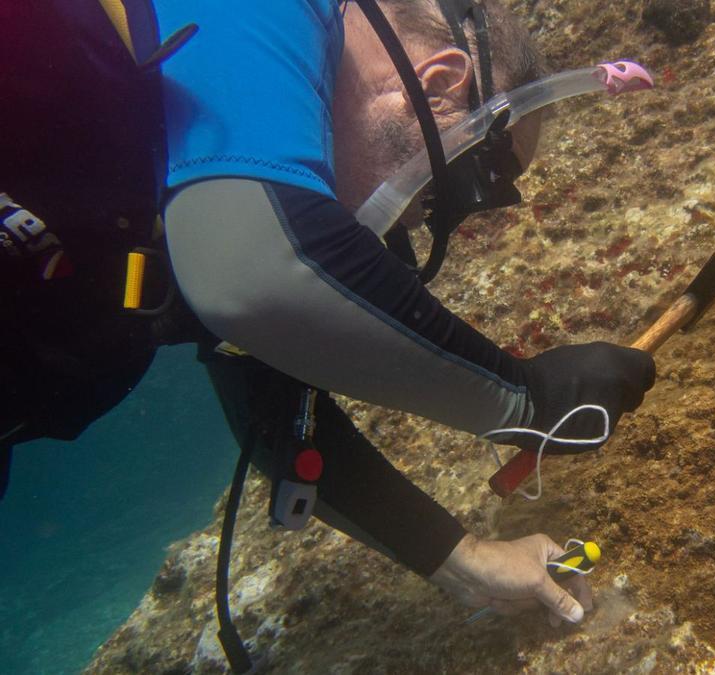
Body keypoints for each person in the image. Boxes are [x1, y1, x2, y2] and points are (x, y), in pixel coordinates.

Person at [1, 0, 655, 668]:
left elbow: (277, 408)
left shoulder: (213, 172)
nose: (432, 216)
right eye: (472, 181)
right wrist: (528, 401)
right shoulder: (265, 11)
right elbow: (260, 276)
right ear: (438, 82)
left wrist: (468, 561)